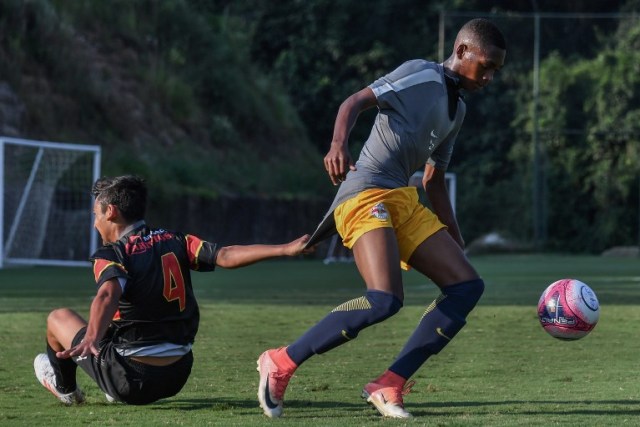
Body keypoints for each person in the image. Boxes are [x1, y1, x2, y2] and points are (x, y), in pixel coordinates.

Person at [257, 18, 506, 419]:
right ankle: (281, 361)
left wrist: (455, 241)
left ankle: (389, 383)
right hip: (365, 192)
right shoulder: (420, 73)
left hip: (403, 199)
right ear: (461, 52)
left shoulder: (457, 110)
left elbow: (434, 180)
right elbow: (353, 102)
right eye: (487, 65)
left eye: (497, 70)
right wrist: (338, 144)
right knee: (385, 299)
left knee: (467, 286)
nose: (490, 77)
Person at [34, 175, 311, 405]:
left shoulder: (112, 253)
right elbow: (225, 255)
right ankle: (108, 374)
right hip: (178, 374)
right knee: (122, 315)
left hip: (130, 380)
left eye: (96, 215)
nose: (95, 223)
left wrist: (92, 336)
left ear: (111, 212)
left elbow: (108, 294)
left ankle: (67, 390)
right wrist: (284, 249)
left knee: (57, 318)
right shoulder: (177, 240)